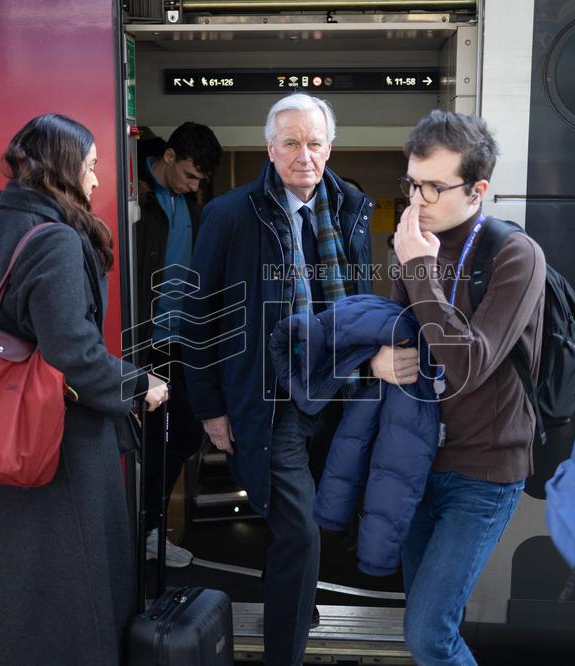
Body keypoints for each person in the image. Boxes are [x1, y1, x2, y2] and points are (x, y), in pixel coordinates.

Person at [181, 93, 374, 665]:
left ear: (329, 148)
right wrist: (209, 407)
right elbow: (198, 318)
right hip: (269, 401)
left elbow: (360, 304)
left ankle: (295, 597)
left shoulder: (351, 208)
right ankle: (283, 652)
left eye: (314, 144)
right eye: (290, 143)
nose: (304, 156)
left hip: (333, 395)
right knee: (298, 533)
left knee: (313, 523)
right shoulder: (230, 215)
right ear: (270, 148)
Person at [0, 114, 167, 666]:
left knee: (37, 595)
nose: (98, 181)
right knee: (78, 604)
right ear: (63, 169)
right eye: (92, 167)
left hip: (13, 442)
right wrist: (138, 385)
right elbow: (71, 351)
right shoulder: (53, 239)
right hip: (59, 449)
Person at [372, 110, 546, 665]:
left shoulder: (516, 255)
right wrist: (375, 360)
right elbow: (401, 340)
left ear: (478, 190)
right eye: (411, 182)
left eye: (434, 186)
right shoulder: (415, 248)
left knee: (428, 634)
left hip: (485, 474)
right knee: (425, 627)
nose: (417, 199)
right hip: (420, 459)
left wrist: (418, 269)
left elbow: (469, 363)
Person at [136, 121, 222, 568]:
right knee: (143, 438)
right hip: (141, 342)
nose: (195, 185)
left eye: (200, 181)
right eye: (190, 175)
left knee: (185, 433)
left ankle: (149, 528)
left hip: (181, 341)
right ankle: (139, 530)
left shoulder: (192, 203)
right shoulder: (135, 194)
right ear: (168, 157)